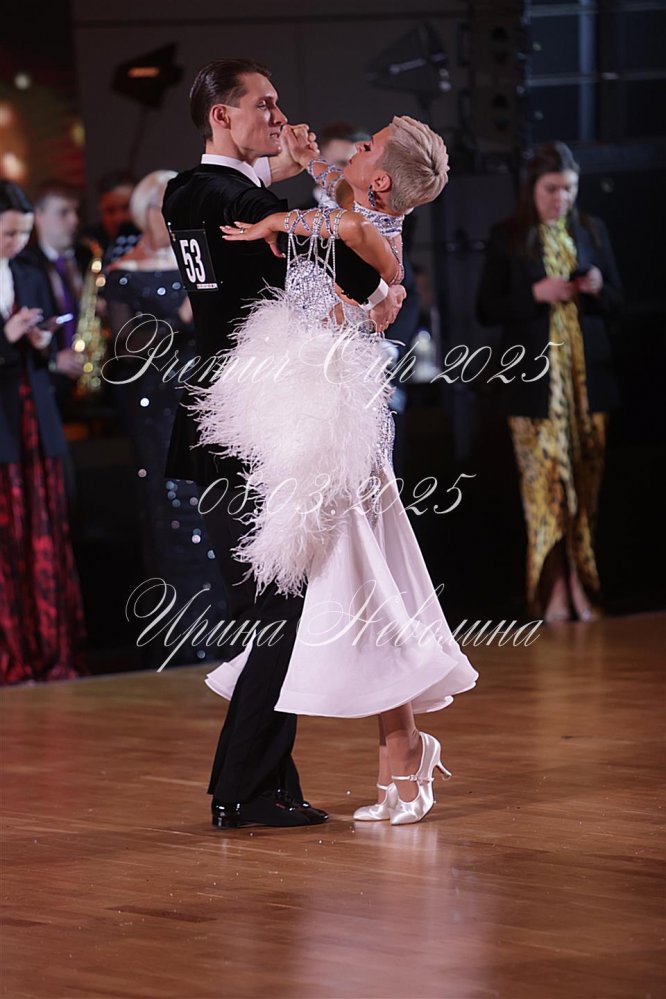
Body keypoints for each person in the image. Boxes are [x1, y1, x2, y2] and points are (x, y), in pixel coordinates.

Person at [200, 115, 479, 826]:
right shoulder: (360, 208)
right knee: (359, 585)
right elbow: (340, 199)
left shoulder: (367, 229)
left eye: (367, 147)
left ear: (380, 179)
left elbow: (355, 232)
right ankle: (401, 748)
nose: (350, 150)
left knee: (360, 584)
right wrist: (304, 161)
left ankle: (403, 747)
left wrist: (275, 221)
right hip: (310, 414)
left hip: (337, 427)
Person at [162, 58, 404, 830]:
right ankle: (244, 788)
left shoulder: (183, 191)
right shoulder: (238, 201)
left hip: (219, 418)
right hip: (256, 419)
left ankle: (264, 783)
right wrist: (380, 282)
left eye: (278, 103)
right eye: (263, 105)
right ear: (221, 116)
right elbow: (330, 259)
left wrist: (292, 170)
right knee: (278, 610)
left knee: (269, 608)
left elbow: (256, 206)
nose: (278, 114)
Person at [476, 141, 623, 622]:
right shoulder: (509, 236)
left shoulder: (592, 230)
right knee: (547, 491)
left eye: (568, 189)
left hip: (586, 385)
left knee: (584, 485)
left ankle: (582, 581)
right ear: (533, 189)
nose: (561, 198)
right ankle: (554, 586)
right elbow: (485, 308)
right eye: (552, 189)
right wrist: (535, 294)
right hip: (534, 388)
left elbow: (618, 302)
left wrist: (596, 288)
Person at [104, 170, 227, 668]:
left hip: (204, 395)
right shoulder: (123, 272)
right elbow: (127, 346)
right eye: (164, 207)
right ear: (145, 211)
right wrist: (180, 317)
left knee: (214, 506)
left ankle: (227, 630)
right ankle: (183, 636)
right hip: (154, 404)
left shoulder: (197, 263)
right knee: (170, 506)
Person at [0, 181, 86, 685]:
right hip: (5, 423)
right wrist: (6, 338)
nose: (16, 243)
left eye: (22, 234)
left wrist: (40, 342)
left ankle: (51, 652)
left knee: (45, 534)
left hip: (34, 417)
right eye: (8, 234)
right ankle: (12, 657)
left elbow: (44, 347)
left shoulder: (28, 273)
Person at [20, 180, 88, 412]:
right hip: (48, 385)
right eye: (63, 212)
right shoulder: (24, 265)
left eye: (75, 212)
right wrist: (52, 359)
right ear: (38, 216)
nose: (74, 220)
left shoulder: (86, 257)